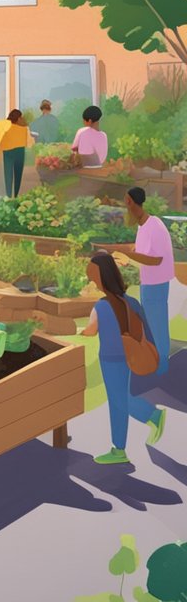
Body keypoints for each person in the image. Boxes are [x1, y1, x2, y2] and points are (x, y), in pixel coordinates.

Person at [81, 250, 166, 465]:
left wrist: (80, 330)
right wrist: (153, 353)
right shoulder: (132, 302)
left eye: (93, 278)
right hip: (129, 357)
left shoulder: (101, 305)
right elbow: (146, 328)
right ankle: (119, 448)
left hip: (110, 359)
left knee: (118, 400)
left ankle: (150, 417)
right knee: (118, 398)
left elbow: (91, 331)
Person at [113, 187, 176, 376]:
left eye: (126, 202)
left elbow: (155, 260)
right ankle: (155, 363)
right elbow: (142, 252)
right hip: (148, 282)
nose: (126, 207)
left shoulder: (155, 226)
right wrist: (126, 254)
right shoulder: (143, 226)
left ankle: (162, 367)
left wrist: (128, 254)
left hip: (157, 284)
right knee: (150, 324)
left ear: (131, 202)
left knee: (157, 325)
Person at [0, 108, 33, 197]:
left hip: (7, 152)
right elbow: (29, 143)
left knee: (8, 175)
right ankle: (15, 195)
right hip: (19, 151)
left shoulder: (4, 127)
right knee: (18, 175)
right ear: (18, 118)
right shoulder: (23, 129)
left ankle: (8, 195)